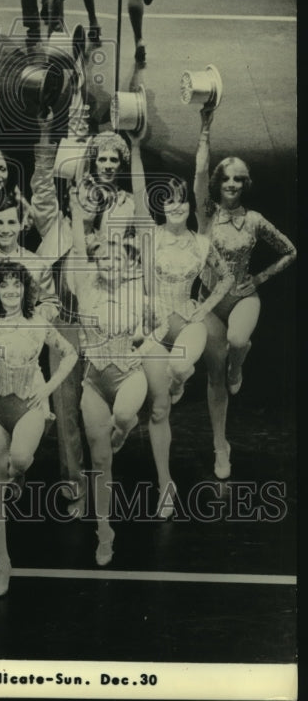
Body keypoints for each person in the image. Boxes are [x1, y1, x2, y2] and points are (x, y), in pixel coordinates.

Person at [130, 133, 234, 515]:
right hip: (154, 322)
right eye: (169, 202)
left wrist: (201, 305)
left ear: (190, 206)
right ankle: (165, 484)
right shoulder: (149, 237)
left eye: (182, 201)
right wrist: (135, 149)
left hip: (186, 317)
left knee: (180, 366)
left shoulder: (202, 244)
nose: (176, 207)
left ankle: (177, 383)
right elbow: (138, 191)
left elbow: (225, 279)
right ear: (162, 207)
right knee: (156, 410)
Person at [193, 104, 296, 479]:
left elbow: (291, 251)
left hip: (243, 296)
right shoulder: (205, 213)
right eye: (227, 179)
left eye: (239, 179)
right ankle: (221, 446)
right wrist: (206, 127)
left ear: (245, 183)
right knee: (213, 376)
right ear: (219, 183)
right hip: (210, 302)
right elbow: (200, 170)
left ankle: (240, 359)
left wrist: (262, 277)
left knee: (238, 340)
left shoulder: (253, 220)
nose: (232, 185)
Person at [0, 260, 78, 596]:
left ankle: (19, 471)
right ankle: (3, 561)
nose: (10, 291)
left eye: (16, 285)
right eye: (4, 285)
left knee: (18, 460)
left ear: (25, 289)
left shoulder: (38, 322)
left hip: (30, 406)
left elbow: (71, 354)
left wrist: (48, 389)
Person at [69, 182, 149, 567]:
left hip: (129, 376)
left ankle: (122, 431)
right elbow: (79, 247)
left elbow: (161, 328)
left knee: (123, 417)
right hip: (94, 383)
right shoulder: (87, 289)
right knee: (100, 464)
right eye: (105, 260)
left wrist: (143, 346)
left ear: (127, 264)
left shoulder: (139, 292)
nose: (110, 265)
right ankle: (105, 531)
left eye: (118, 260)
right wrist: (73, 205)